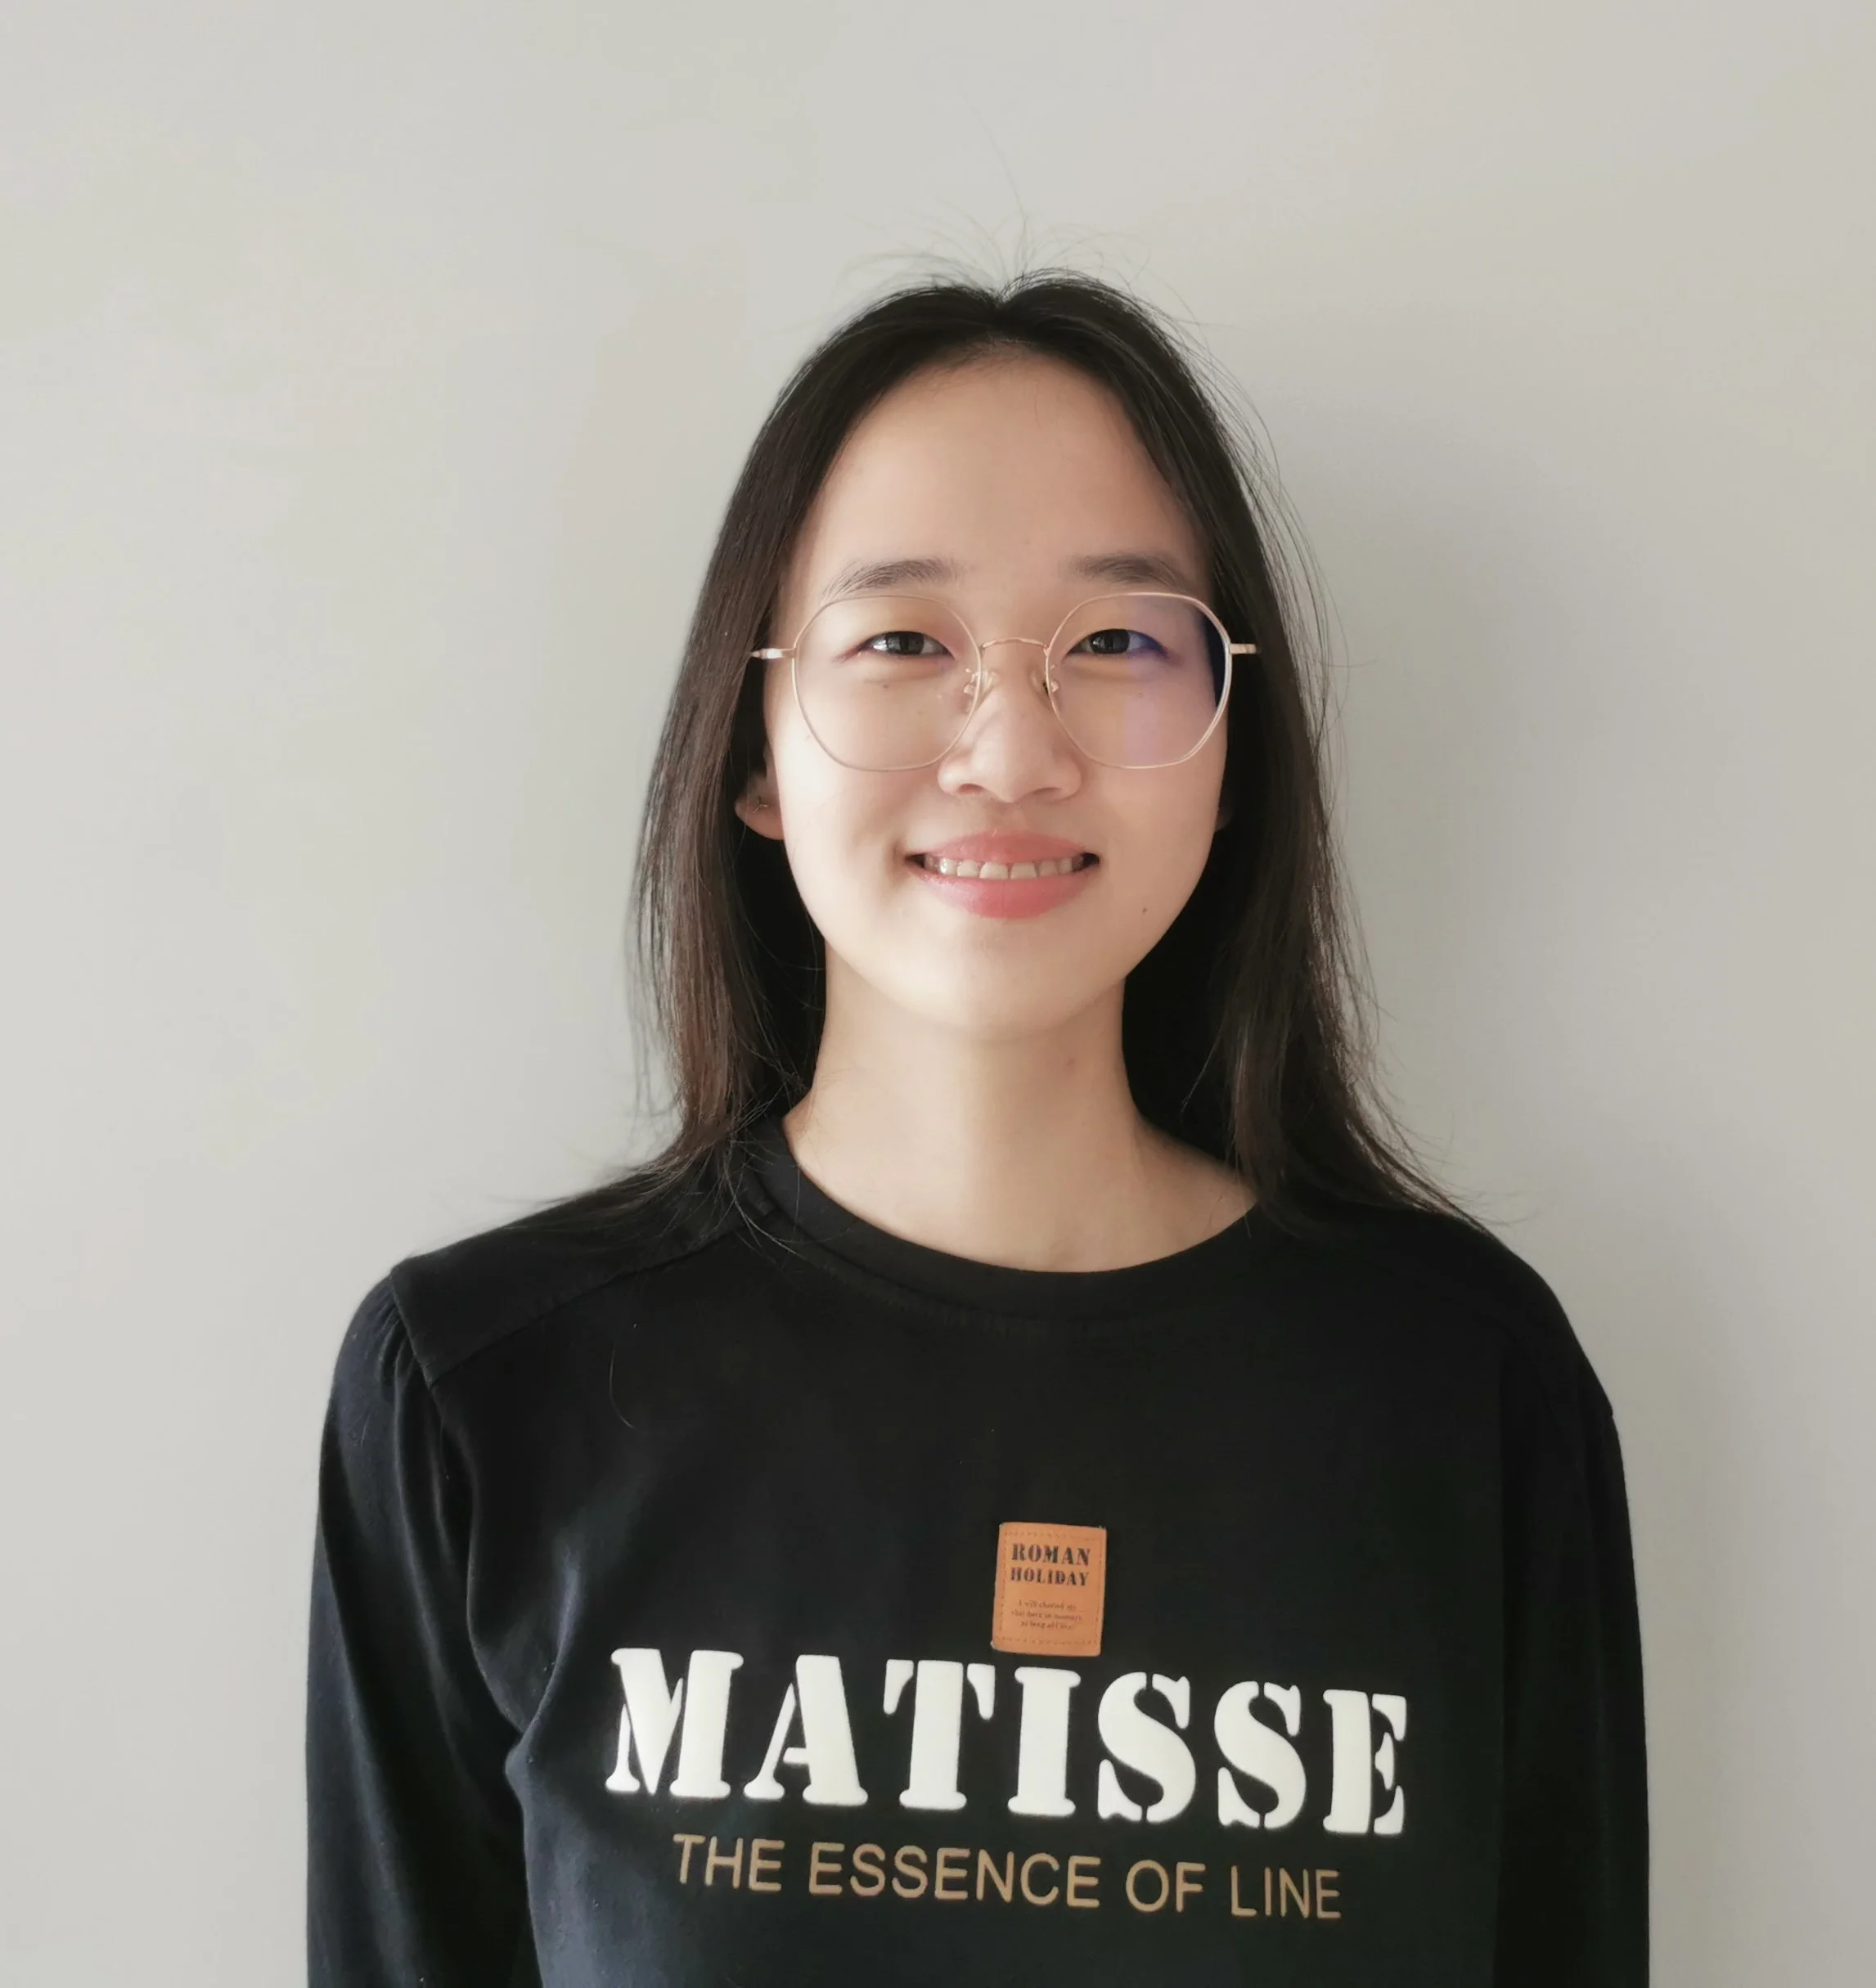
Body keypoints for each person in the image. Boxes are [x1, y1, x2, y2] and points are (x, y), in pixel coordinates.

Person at [306, 271, 1649, 1986]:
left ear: (1232, 750)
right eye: (902, 643)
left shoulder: (1470, 1391)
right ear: (758, 749)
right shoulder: (481, 1391)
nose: (1012, 747)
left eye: (1116, 644)